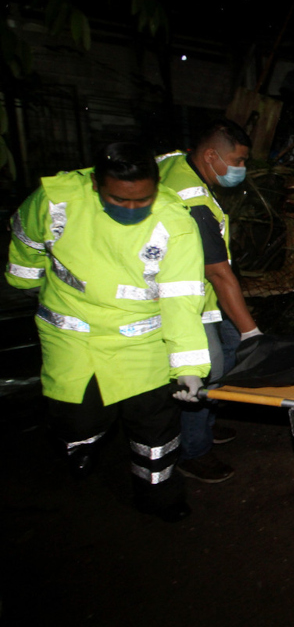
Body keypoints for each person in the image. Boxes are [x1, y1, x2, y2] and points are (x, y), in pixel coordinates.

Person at [5, 142, 211, 522]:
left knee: (156, 429)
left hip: (144, 343)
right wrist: (26, 279)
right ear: (95, 185)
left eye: (143, 200)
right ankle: (79, 443)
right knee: (75, 415)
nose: (131, 209)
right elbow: (26, 241)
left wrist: (189, 368)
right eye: (119, 199)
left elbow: (181, 298)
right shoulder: (55, 201)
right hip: (73, 336)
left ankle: (159, 496)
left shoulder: (174, 222)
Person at [157, 119, 262, 484]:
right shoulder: (193, 200)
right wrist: (253, 333)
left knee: (228, 353)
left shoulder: (176, 163)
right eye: (238, 161)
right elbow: (217, 272)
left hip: (204, 296)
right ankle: (194, 450)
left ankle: (204, 424)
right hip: (187, 300)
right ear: (211, 155)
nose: (241, 169)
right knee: (207, 370)